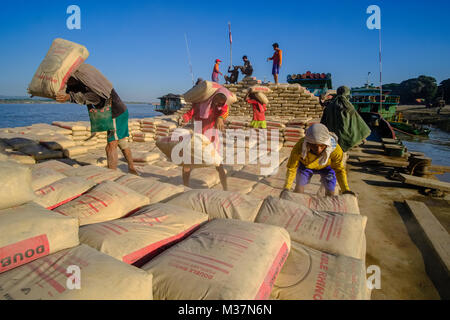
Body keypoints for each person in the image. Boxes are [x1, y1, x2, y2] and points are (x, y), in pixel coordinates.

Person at [55, 64, 138, 175]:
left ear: (74, 78)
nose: (67, 83)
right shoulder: (76, 85)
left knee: (110, 146)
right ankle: (132, 169)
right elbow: (62, 92)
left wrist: (70, 97)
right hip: (121, 112)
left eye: (68, 80)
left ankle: (111, 175)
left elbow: (95, 97)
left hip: (115, 113)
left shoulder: (89, 84)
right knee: (122, 142)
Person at [282, 124, 354, 197]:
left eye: (322, 146)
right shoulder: (300, 147)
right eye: (314, 146)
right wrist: (287, 187)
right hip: (306, 167)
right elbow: (292, 168)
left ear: (327, 143)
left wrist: (345, 190)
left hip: (327, 168)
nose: (318, 150)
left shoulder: (335, 150)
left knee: (330, 192)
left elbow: (339, 170)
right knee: (299, 189)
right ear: (308, 143)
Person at [181, 87, 230, 190]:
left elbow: (224, 112)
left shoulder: (221, 108)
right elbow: (190, 113)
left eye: (221, 103)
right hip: (198, 137)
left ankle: (225, 189)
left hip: (212, 138)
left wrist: (220, 118)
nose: (217, 104)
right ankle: (185, 187)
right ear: (213, 97)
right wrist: (184, 118)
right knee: (187, 164)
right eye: (217, 101)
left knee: (219, 165)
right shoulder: (200, 105)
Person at [320, 86, 371, 153]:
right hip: (343, 134)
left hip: (332, 135)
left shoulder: (330, 105)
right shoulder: (348, 106)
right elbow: (357, 121)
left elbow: (324, 120)